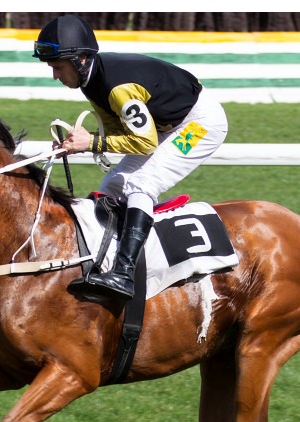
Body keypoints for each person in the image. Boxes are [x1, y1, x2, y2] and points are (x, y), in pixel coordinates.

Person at [33, 14, 229, 301]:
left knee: (142, 184)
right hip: (164, 126)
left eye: (58, 67)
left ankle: (124, 274)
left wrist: (91, 143)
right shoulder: (90, 81)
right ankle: (106, 261)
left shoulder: (117, 88)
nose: (55, 76)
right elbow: (119, 133)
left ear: (80, 60)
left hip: (201, 124)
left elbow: (144, 142)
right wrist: (80, 143)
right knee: (114, 184)